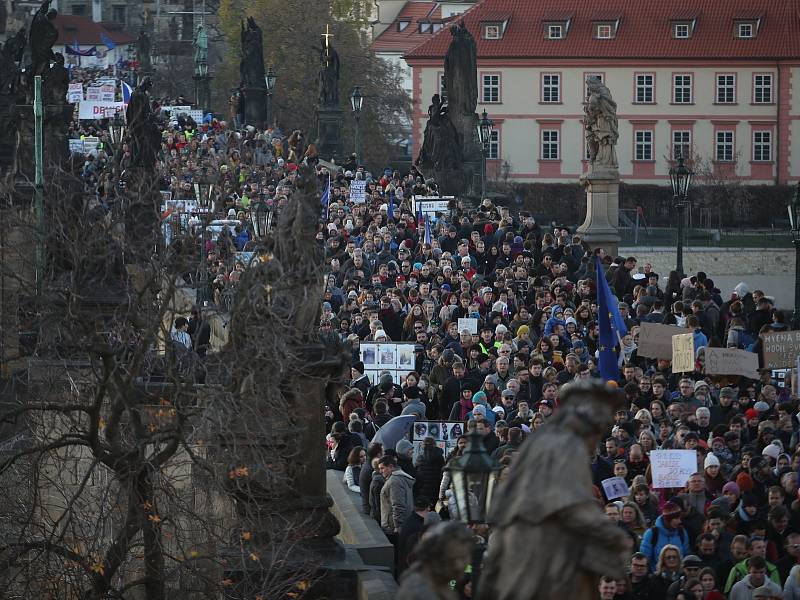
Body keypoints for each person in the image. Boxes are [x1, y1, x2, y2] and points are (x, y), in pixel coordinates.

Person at [640, 501, 691, 571]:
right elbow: (645, 559)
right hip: (657, 577)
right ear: (668, 520)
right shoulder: (651, 534)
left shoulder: (682, 532)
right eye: (676, 518)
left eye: (680, 518)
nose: (680, 521)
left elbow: (686, 555)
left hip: (678, 575)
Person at [378, 455, 415, 538]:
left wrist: (398, 525)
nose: (380, 471)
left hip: (392, 526)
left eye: (382, 468)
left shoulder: (395, 481)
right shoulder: (400, 477)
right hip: (399, 523)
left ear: (391, 467)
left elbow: (398, 504)